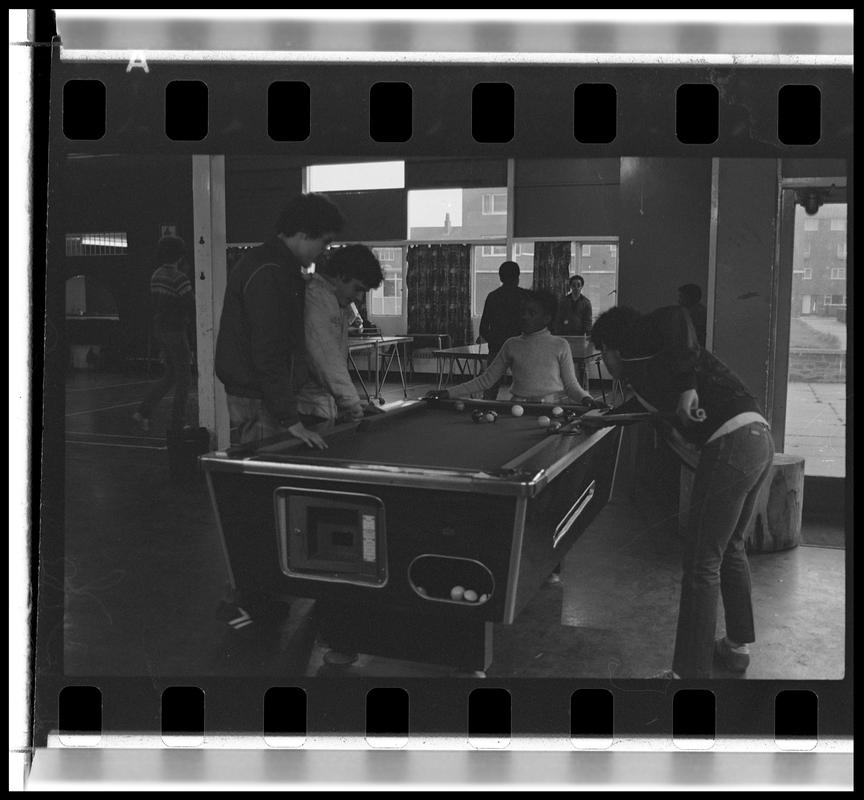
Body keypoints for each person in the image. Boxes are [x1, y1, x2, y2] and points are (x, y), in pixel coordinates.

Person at [588, 305, 774, 679]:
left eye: (601, 354)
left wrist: (688, 387)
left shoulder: (654, 352)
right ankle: (737, 648)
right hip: (758, 438)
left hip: (732, 444)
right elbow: (639, 409)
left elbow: (676, 315)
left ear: (612, 348)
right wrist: (596, 418)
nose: (604, 363)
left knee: (702, 562)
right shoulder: (647, 378)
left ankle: (687, 675)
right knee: (730, 548)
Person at [215, 193, 345, 449]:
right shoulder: (270, 272)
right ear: (305, 233)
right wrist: (290, 419)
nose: (324, 250)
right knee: (265, 474)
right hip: (261, 398)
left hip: (262, 394)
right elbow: (269, 349)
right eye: (324, 241)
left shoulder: (276, 266)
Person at [428, 290, 597, 408]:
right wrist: (448, 393)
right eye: (523, 312)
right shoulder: (512, 344)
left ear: (546, 318)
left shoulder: (560, 345)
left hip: (551, 409)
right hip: (517, 408)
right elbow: (486, 380)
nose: (524, 316)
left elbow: (571, 386)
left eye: (531, 313)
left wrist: (587, 399)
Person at [297, 244, 385, 424]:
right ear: (341, 276)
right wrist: (351, 401)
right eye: (357, 288)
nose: (359, 298)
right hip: (303, 409)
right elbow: (325, 355)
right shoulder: (316, 298)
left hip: (318, 406)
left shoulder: (335, 302)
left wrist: (351, 403)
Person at [133, 235, 195, 433]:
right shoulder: (179, 278)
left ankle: (143, 412)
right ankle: (178, 422)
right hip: (176, 330)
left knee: (169, 376)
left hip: (160, 329)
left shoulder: (156, 274)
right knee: (184, 378)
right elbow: (190, 304)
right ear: (180, 255)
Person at [477, 261, 531, 400]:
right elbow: (533, 325)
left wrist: (496, 341)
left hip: (497, 349)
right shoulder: (526, 297)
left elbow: (483, 328)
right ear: (518, 277)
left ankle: (486, 410)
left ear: (500, 278)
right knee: (525, 388)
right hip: (522, 348)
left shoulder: (492, 297)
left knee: (490, 388)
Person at [678, 283, 708, 349]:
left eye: (681, 297)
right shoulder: (686, 312)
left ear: (689, 297)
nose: (678, 301)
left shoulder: (698, 314)